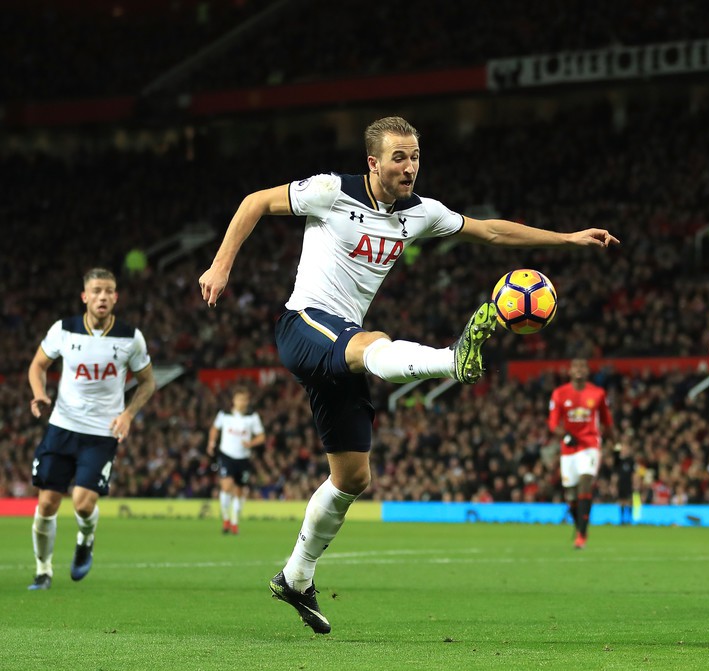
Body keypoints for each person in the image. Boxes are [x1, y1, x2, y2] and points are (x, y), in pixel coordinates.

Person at [198, 116, 619, 634]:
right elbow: (255, 202)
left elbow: (489, 231)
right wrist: (221, 265)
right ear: (372, 163)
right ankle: (452, 359)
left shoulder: (422, 213)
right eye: (399, 157)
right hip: (304, 324)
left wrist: (567, 239)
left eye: (415, 156)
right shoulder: (331, 191)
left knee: (353, 477)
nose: (410, 167)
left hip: (344, 344)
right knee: (373, 343)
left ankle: (296, 575)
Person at [27, 268, 156, 591]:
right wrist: (40, 393)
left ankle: (86, 537)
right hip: (62, 426)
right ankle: (43, 570)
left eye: (108, 291)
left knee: (83, 503)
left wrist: (127, 414)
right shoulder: (64, 330)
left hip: (101, 433)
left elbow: (148, 383)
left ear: (116, 297)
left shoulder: (130, 337)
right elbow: (38, 366)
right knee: (46, 505)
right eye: (96, 290)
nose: (102, 296)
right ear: (85, 296)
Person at [548, 358, 616, 549]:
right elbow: (553, 423)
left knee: (585, 485)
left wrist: (615, 444)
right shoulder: (560, 394)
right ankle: (579, 528)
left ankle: (582, 535)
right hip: (569, 449)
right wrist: (565, 435)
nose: (579, 369)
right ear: (569, 371)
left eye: (582, 366)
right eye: (575, 366)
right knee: (570, 495)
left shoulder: (598, 393)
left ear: (587, 371)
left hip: (590, 445)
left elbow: (607, 422)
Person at [207, 386, 265, 535]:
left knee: (239, 491)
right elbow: (214, 428)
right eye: (240, 399)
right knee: (226, 486)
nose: (242, 402)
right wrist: (211, 442)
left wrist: (251, 443)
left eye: (245, 399)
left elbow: (261, 436)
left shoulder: (252, 417)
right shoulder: (224, 415)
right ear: (234, 400)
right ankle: (226, 518)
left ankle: (234, 522)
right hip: (226, 455)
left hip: (243, 457)